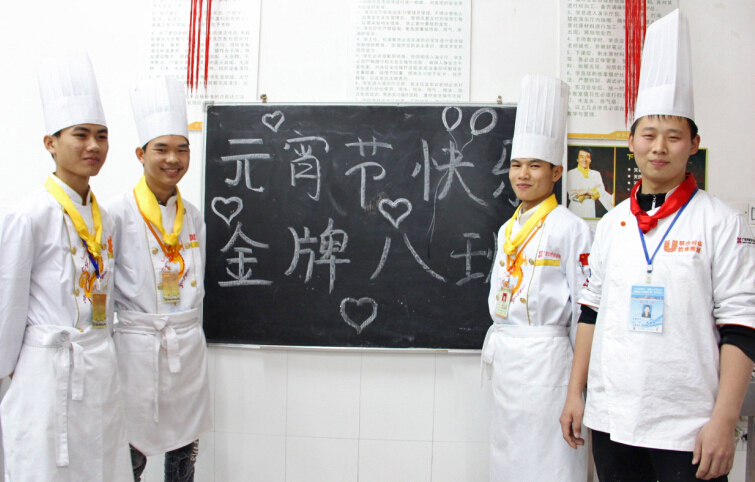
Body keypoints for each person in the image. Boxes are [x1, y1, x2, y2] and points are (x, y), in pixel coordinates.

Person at [560, 9, 755, 482]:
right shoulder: (612, 224)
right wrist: (575, 394)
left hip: (689, 427)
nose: (659, 147)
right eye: (648, 135)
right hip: (612, 417)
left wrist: (724, 420)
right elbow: (590, 311)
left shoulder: (720, 221)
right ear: (631, 142)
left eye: (673, 137)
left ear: (694, 143)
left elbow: (742, 326)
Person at [0, 51, 132, 481]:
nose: (93, 146)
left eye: (102, 136)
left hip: (97, 367)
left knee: (100, 467)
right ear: (51, 143)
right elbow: (8, 305)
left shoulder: (104, 218)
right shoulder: (29, 215)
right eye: (81, 135)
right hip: (46, 372)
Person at [481, 74, 592, 482]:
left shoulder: (570, 228)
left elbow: (584, 311)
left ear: (556, 171)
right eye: (516, 165)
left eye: (534, 165)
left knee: (552, 464)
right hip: (508, 361)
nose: (522, 174)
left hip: (550, 365)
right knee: (509, 460)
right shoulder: (507, 229)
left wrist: (578, 387)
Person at [107, 76, 211, 482]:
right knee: (130, 452)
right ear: (140, 153)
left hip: (186, 347)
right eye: (161, 149)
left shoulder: (193, 216)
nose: (173, 159)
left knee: (183, 453)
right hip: (137, 351)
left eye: (182, 149)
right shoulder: (116, 214)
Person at [566, 146, 614, 218]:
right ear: (577, 159)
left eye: (587, 157)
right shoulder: (571, 173)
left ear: (590, 159)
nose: (585, 159)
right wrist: (593, 193)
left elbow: (601, 192)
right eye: (582, 157)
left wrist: (585, 191)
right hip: (575, 210)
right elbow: (574, 196)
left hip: (590, 210)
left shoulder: (596, 174)